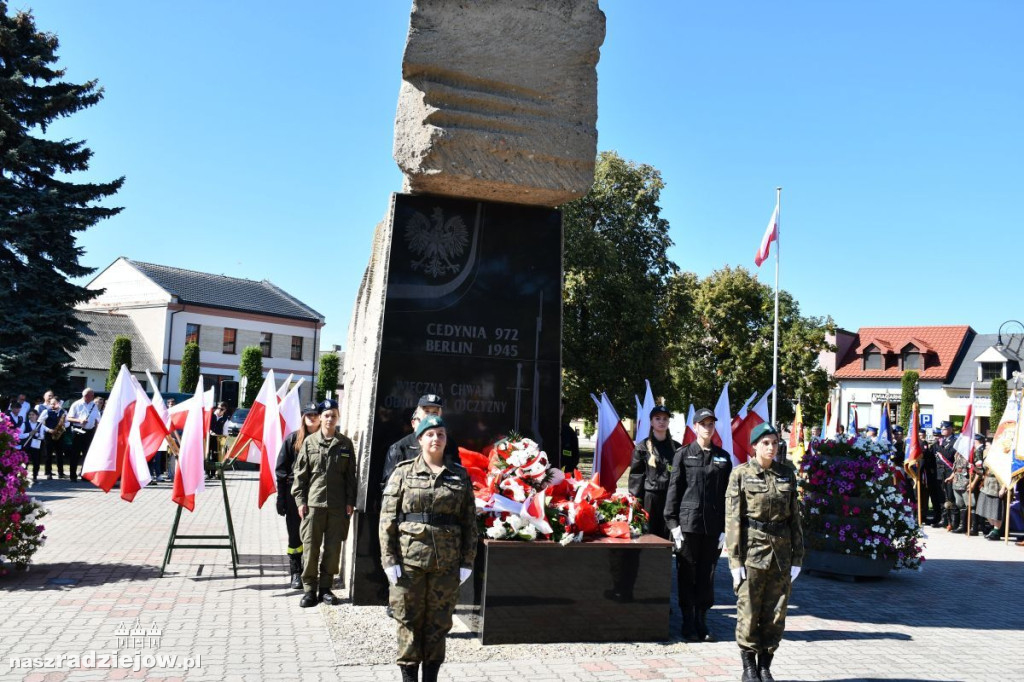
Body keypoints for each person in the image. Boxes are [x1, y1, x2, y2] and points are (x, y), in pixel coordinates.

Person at [379, 415, 477, 682]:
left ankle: (431, 677)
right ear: (420, 439)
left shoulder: (459, 475)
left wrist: (467, 561)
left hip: (446, 564)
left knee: (439, 624)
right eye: (430, 434)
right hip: (408, 563)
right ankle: (409, 677)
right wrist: (389, 560)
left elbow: (469, 521)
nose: (436, 439)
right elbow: (387, 518)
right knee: (407, 621)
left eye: (441, 434)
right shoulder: (403, 472)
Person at [726, 423, 804, 682]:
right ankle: (749, 666)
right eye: (766, 443)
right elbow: (733, 519)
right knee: (749, 610)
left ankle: (765, 665)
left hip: (781, 554)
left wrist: (797, 557)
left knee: (776, 613)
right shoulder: (740, 474)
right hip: (752, 552)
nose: (772, 447)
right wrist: (735, 560)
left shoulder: (787, 474)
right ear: (755, 446)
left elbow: (795, 519)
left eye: (774, 443)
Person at [664, 407, 732, 642]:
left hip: (712, 526)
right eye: (703, 423)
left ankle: (702, 620)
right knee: (687, 573)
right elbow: (674, 490)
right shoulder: (683, 454)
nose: (707, 427)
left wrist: (726, 528)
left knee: (707, 574)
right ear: (695, 427)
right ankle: (687, 620)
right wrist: (672, 524)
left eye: (711, 423)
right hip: (688, 525)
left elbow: (727, 495)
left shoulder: (723, 457)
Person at [291, 399, 357, 608]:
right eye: (326, 415)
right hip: (313, 505)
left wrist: (350, 501)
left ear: (338, 418)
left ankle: (326, 589)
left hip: (338, 507)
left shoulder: (345, 443)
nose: (330, 419)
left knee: (333, 549)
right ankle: (309, 589)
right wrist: (300, 501)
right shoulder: (310, 443)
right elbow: (300, 475)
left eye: (333, 415)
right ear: (320, 418)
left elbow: (351, 477)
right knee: (310, 549)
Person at [276, 403, 320, 589]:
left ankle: (310, 572)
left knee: (313, 535)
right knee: (295, 536)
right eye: (308, 415)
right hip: (295, 494)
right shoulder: (293, 439)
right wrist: (281, 498)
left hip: (317, 493)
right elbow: (281, 470)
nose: (311, 418)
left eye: (314, 414)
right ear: (303, 417)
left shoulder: (325, 438)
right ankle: (295, 572)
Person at [379, 394, 458, 491]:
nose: (430, 417)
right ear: (417, 418)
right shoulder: (400, 447)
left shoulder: (449, 444)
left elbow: (457, 478)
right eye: (427, 412)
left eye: (435, 413)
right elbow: (390, 489)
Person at [628, 405, 678, 539]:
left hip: (670, 498)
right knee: (649, 535)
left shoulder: (677, 448)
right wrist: (636, 502)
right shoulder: (642, 447)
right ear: (651, 422)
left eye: (665, 419)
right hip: (650, 499)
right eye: (657, 418)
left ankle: (666, 560)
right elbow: (636, 476)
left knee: (668, 535)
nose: (661, 422)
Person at [66, 388, 100, 481]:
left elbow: (97, 419)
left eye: (93, 395)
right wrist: (79, 420)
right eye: (90, 395)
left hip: (89, 432)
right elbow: (69, 418)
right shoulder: (77, 404)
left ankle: (84, 474)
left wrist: (96, 431)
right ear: (85, 396)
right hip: (78, 431)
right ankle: (72, 476)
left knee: (87, 454)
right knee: (75, 454)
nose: (92, 397)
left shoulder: (94, 405)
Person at [936, 421, 958, 531]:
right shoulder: (942, 441)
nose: (942, 431)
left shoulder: (954, 441)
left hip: (949, 472)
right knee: (942, 497)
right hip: (941, 472)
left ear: (950, 429)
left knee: (950, 498)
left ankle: (953, 522)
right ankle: (944, 519)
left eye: (944, 429)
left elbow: (949, 455)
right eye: (942, 429)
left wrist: (940, 447)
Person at [39, 396, 68, 479]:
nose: (52, 405)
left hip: (59, 434)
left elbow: (68, 423)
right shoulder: (46, 411)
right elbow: (40, 423)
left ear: (58, 404)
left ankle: (61, 472)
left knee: (60, 454)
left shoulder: (63, 412)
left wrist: (61, 426)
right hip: (49, 434)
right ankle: (48, 472)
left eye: (54, 404)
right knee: (48, 454)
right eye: (51, 403)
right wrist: (48, 430)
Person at [19, 409, 46, 481]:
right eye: (29, 415)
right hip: (26, 446)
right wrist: (29, 434)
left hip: (36, 446)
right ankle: (22, 476)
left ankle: (35, 476)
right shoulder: (25, 424)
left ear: (37, 416)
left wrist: (37, 434)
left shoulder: (40, 424)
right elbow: (20, 435)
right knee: (25, 462)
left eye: (33, 415)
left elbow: (42, 436)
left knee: (36, 461)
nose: (31, 416)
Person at [207, 402, 230, 479]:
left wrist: (225, 441)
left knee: (215, 455)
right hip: (208, 438)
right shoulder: (211, 415)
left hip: (218, 439)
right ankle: (207, 473)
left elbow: (225, 431)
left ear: (225, 410)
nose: (219, 410)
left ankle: (213, 474)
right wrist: (210, 432)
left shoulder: (225, 419)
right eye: (219, 408)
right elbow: (206, 426)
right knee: (207, 455)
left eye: (222, 409)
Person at [560, 399, 581, 473]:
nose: (560, 410)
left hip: (566, 476)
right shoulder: (542, 429)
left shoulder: (569, 432)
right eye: (558, 407)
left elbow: (575, 456)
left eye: (562, 407)